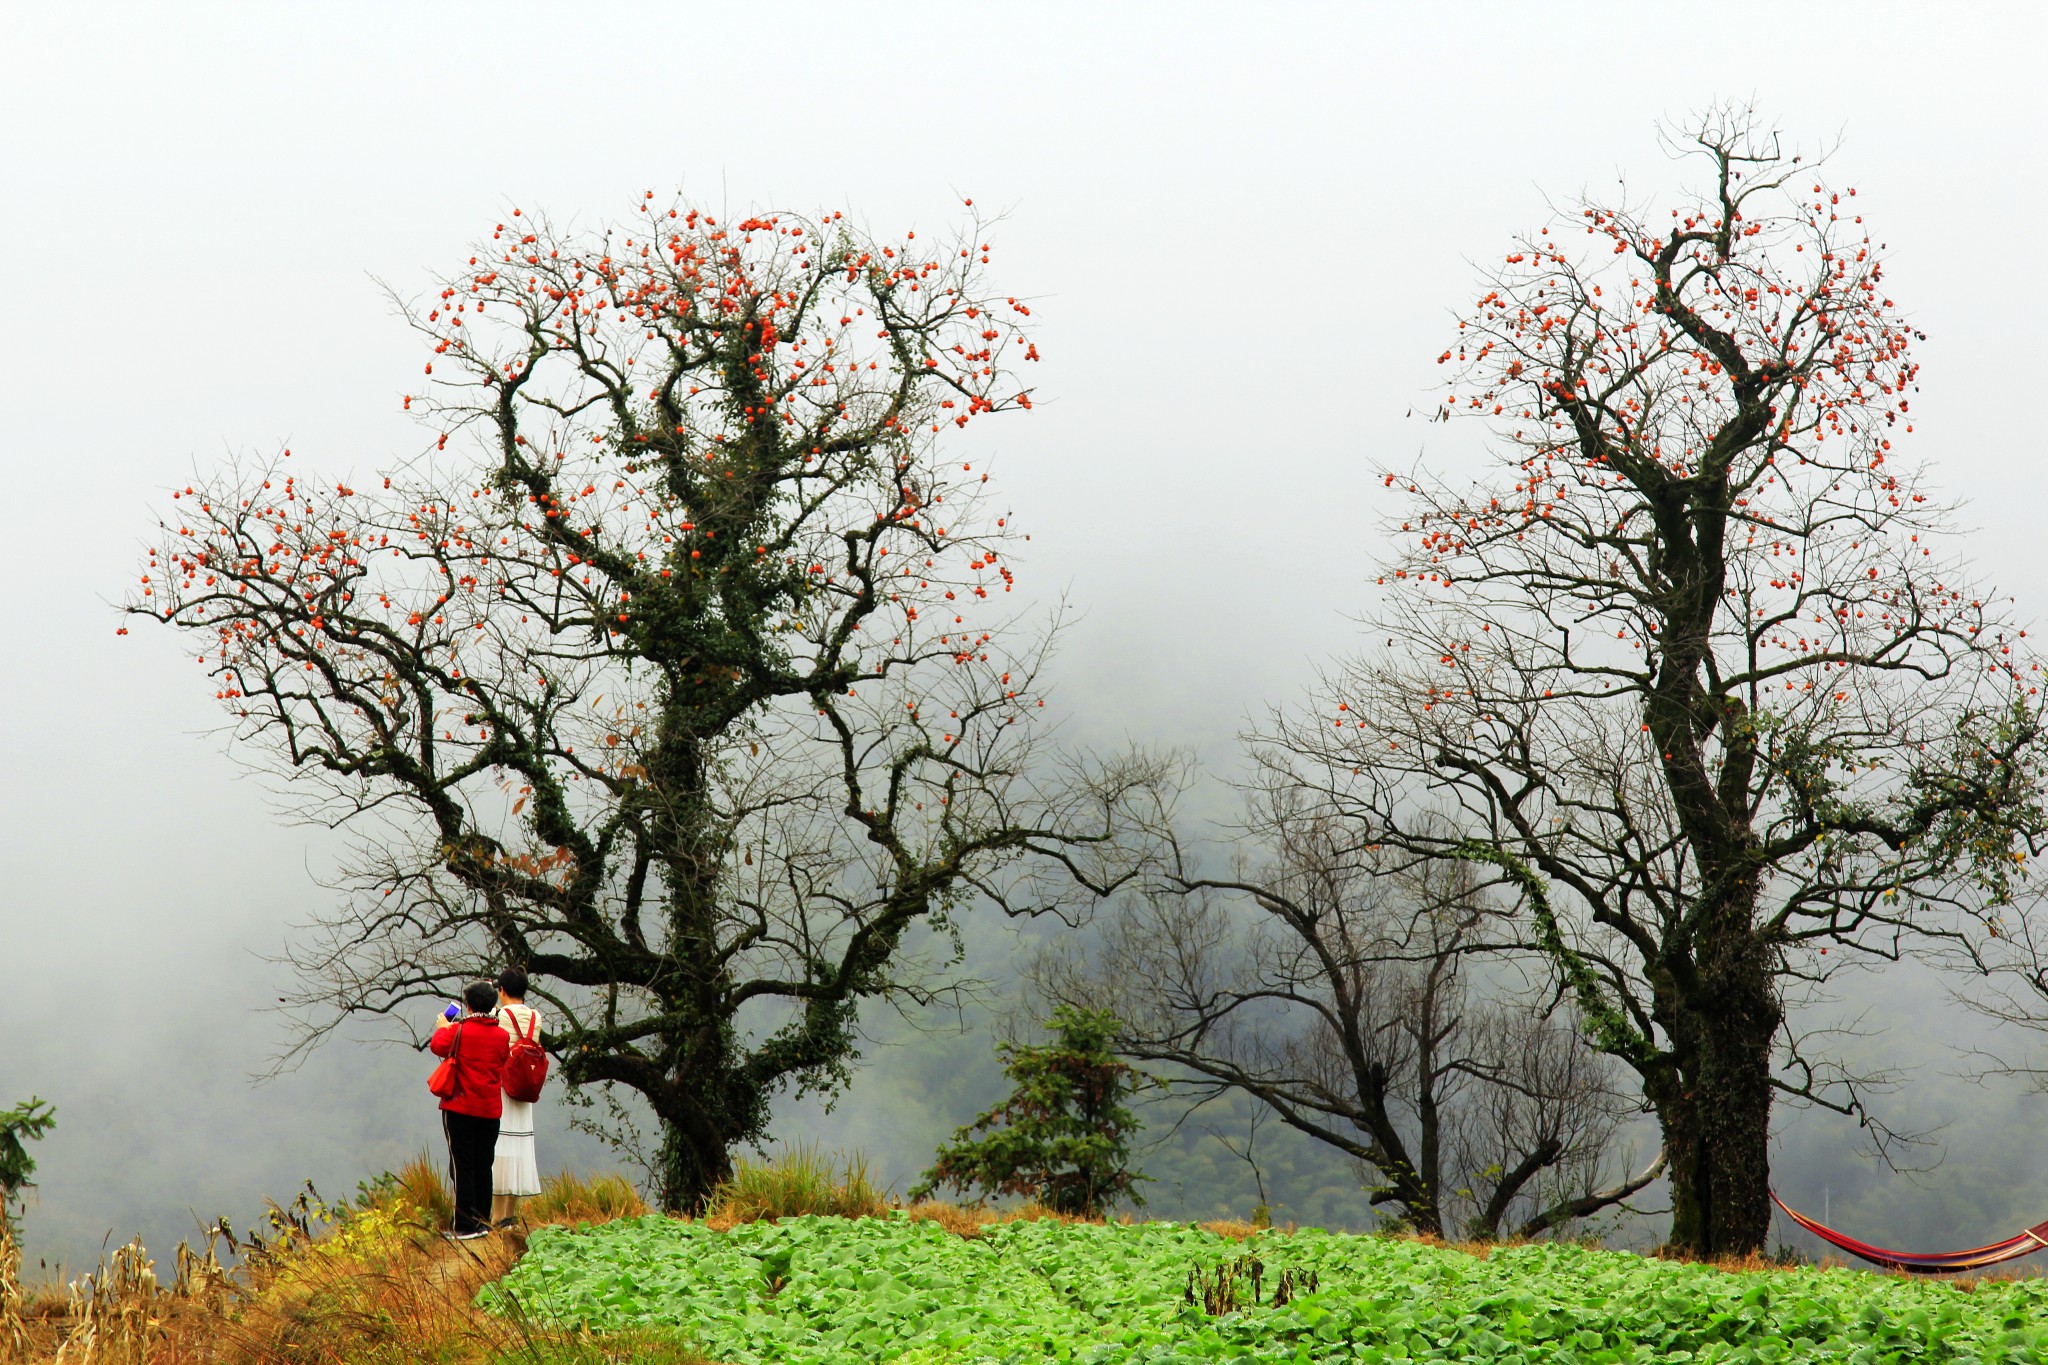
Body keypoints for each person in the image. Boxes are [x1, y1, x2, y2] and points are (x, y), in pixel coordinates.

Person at [429, 980, 511, 1239]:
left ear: (468, 1005)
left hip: (460, 1107)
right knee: (483, 1163)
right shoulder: (502, 1035)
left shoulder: (457, 1031)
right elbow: (502, 1060)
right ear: (493, 1004)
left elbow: (436, 1046)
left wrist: (444, 1026)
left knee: (462, 1164)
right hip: (490, 1110)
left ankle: (464, 1226)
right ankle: (482, 1221)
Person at [491, 968, 543, 1226]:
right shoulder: (536, 1016)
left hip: (502, 1087)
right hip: (524, 1089)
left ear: (501, 990)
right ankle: (509, 1214)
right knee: (517, 1148)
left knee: (499, 1148)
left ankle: (497, 1214)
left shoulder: (499, 1015)